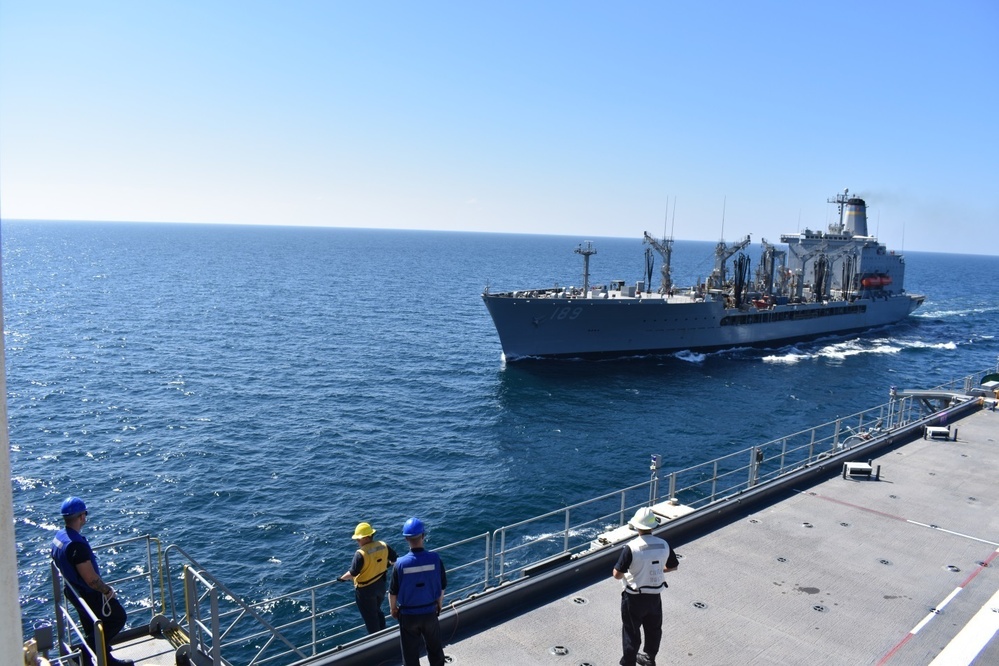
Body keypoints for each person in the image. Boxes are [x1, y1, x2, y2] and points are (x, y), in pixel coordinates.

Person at [50, 497, 134, 666]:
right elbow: (91, 579)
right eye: (84, 514)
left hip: (73, 591)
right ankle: (83, 653)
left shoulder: (59, 537)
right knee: (117, 618)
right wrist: (106, 591)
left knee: (92, 627)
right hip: (88, 594)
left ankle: (102, 659)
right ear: (81, 517)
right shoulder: (76, 546)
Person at [612, 507, 679, 666]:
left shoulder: (631, 547)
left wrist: (628, 574)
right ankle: (649, 658)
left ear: (636, 526)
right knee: (654, 629)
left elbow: (616, 574)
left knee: (631, 632)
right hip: (655, 596)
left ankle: (629, 662)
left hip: (634, 597)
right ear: (653, 526)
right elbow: (673, 566)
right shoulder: (663, 544)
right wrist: (657, 569)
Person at [388, 517, 447, 666]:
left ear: (406, 539)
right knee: (435, 651)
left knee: (410, 655)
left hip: (408, 615)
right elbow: (442, 586)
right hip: (429, 613)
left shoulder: (400, 564)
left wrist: (393, 609)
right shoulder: (435, 558)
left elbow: (393, 592)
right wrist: (438, 605)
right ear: (423, 536)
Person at [337, 521, 398, 633]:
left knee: (370, 618)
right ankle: (383, 632)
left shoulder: (361, 553)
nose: (357, 542)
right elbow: (394, 560)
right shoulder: (383, 545)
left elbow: (353, 573)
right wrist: (386, 565)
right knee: (377, 611)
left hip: (365, 591)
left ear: (366, 538)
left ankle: (377, 641)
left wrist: (341, 578)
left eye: (358, 539)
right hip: (380, 585)